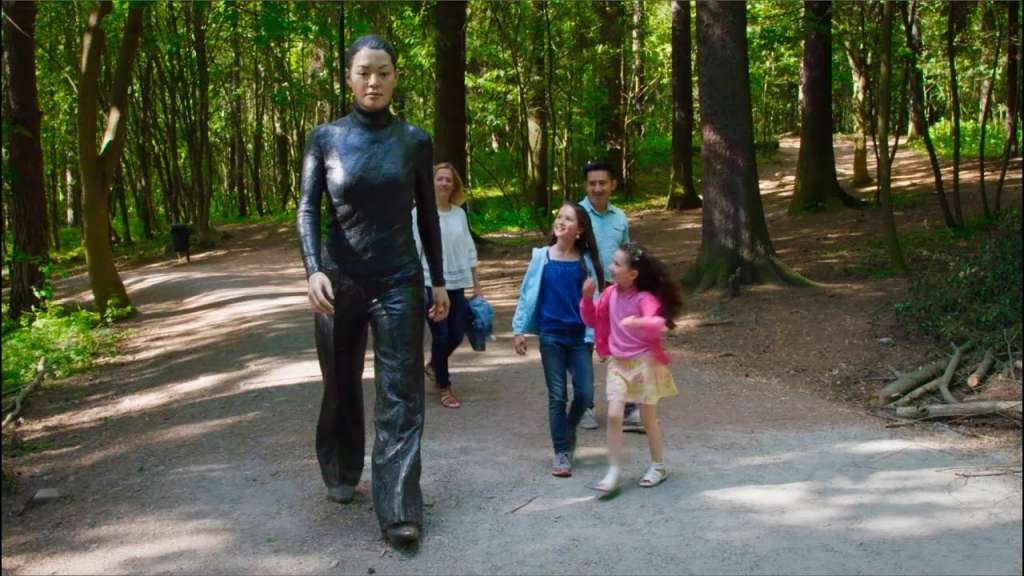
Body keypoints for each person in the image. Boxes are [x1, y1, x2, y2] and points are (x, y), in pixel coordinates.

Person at [297, 34, 448, 549]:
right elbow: (306, 209)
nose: (373, 82)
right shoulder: (325, 138)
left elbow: (428, 214)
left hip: (399, 279)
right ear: (348, 77)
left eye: (383, 72)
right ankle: (341, 468)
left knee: (401, 393)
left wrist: (439, 280)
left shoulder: (414, 140)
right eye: (364, 72)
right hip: (338, 282)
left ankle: (400, 507)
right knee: (340, 381)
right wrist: (313, 267)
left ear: (395, 76)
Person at [512, 202, 606, 478]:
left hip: (579, 337)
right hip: (551, 335)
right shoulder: (542, 256)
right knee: (557, 395)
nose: (562, 221)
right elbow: (527, 293)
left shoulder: (585, 261)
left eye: (569, 218)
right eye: (559, 216)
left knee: (586, 393)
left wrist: (600, 336)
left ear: (580, 229)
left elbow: (597, 301)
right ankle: (562, 452)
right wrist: (519, 330)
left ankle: (566, 429)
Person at [580, 242, 682, 495]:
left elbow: (657, 323)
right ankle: (613, 470)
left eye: (616, 264)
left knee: (648, 419)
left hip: (644, 364)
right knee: (614, 415)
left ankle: (658, 466)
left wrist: (638, 320)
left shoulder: (644, 298)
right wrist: (585, 299)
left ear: (632, 273)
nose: (610, 267)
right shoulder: (609, 294)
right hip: (618, 363)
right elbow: (592, 320)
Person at [412, 162, 482, 409]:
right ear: (431, 183)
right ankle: (444, 386)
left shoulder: (459, 214)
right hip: (430, 283)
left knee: (457, 332)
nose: (443, 183)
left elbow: (469, 248)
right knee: (441, 335)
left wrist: (477, 284)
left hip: (457, 282)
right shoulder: (419, 213)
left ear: (454, 185)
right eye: (439, 178)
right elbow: (413, 250)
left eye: (448, 180)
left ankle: (433, 366)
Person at [577, 161, 639, 431]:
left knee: (624, 349)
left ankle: (629, 408)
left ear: (612, 184)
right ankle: (584, 406)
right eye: (592, 183)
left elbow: (626, 255)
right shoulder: (576, 215)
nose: (598, 188)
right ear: (586, 185)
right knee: (582, 350)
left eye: (603, 182)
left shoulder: (620, 218)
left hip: (616, 296)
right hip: (584, 294)